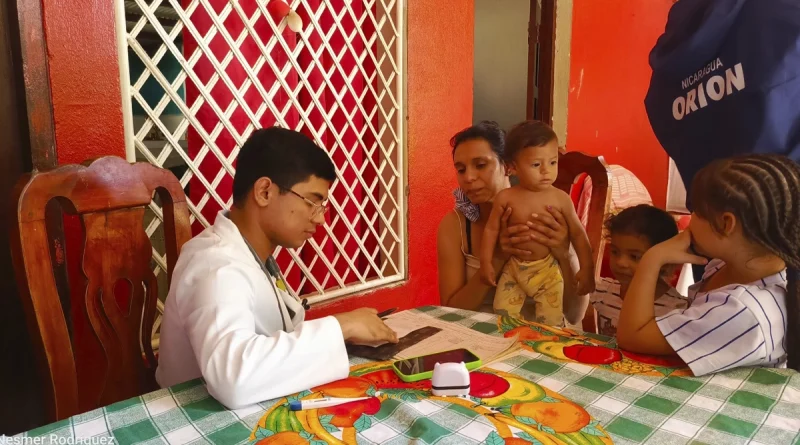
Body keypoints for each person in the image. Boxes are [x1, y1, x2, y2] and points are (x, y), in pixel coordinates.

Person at [156, 127, 398, 408]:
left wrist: (345, 331)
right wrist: (342, 325)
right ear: (264, 192)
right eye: (313, 201)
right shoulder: (215, 265)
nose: (320, 219)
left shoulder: (256, 256)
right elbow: (234, 378)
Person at [617, 154, 800, 375]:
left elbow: (632, 336)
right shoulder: (722, 266)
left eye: (698, 212)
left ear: (726, 223)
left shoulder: (744, 310)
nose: (691, 218)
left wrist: (652, 259)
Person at [437, 121, 589, 325]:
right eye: (461, 169)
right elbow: (451, 313)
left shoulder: (550, 218)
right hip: (481, 338)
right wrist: (497, 258)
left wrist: (564, 254)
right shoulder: (456, 226)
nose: (469, 178)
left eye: (481, 165)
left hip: (540, 338)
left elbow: (575, 315)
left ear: (509, 166)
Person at [479, 121, 594, 324]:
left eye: (552, 162)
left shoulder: (561, 199)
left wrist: (587, 268)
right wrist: (486, 262)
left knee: (551, 320)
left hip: (547, 271)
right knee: (503, 317)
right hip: (514, 268)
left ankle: (548, 348)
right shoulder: (506, 198)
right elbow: (491, 229)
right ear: (513, 167)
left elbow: (578, 233)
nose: (546, 171)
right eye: (535, 164)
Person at [592, 205, 687, 336]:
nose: (621, 262)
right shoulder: (602, 291)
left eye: (634, 256)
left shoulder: (675, 309)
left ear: (665, 261)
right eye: (615, 251)